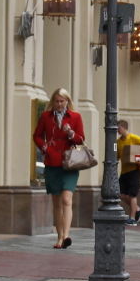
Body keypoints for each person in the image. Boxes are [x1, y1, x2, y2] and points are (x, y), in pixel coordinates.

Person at [32, 88, 84, 249]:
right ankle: (60, 237)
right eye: (56, 101)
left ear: (67, 101)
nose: (59, 104)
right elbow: (37, 136)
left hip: (70, 163)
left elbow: (81, 139)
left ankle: (67, 235)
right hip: (52, 161)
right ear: (53, 102)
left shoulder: (75, 117)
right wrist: (45, 147)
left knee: (66, 199)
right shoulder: (46, 117)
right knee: (56, 201)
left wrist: (70, 133)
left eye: (62, 101)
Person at [116, 119, 140, 225]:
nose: (117, 130)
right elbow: (117, 156)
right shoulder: (118, 141)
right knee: (120, 194)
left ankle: (132, 218)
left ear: (123, 128)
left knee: (132, 195)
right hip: (124, 171)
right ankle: (138, 209)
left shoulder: (133, 138)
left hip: (134, 170)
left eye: (118, 128)